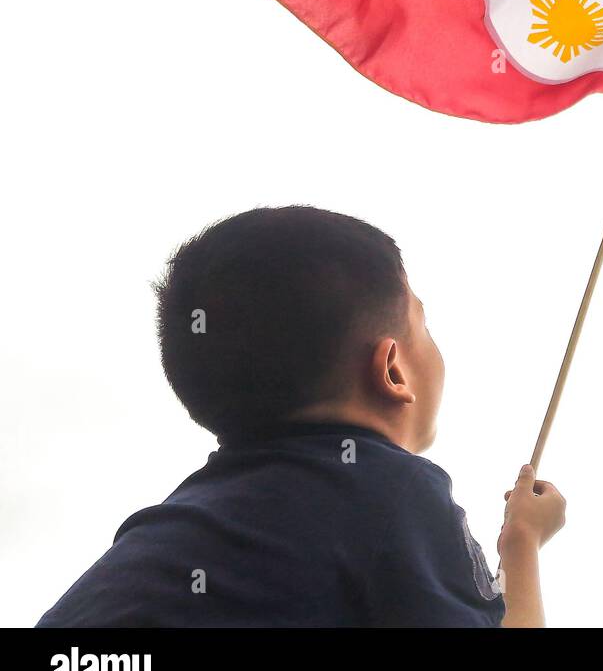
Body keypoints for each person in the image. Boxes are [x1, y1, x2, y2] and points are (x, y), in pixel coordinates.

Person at [36, 206, 564, 627]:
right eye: (423, 325)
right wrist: (520, 543)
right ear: (392, 370)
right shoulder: (391, 492)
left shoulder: (183, 523)